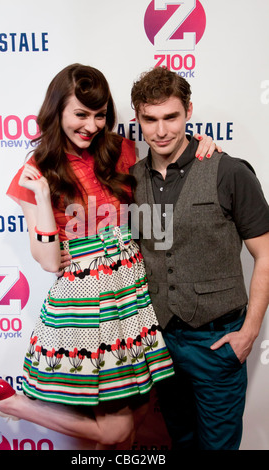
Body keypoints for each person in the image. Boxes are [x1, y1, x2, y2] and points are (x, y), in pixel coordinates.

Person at [0, 64, 216, 449]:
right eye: (80, 114)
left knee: (131, 427)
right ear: (57, 112)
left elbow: (172, 160)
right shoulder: (36, 171)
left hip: (133, 300)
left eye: (99, 114)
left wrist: (203, 144)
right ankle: (8, 400)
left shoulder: (122, 150)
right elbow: (50, 261)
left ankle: (6, 400)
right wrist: (42, 199)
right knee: (117, 430)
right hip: (87, 307)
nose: (92, 125)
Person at [129, 66, 269, 450]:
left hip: (216, 339)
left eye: (171, 117)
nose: (161, 131)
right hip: (159, 342)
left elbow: (266, 253)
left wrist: (250, 332)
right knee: (181, 440)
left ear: (188, 111)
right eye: (150, 119)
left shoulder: (228, 171)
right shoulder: (130, 180)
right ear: (137, 119)